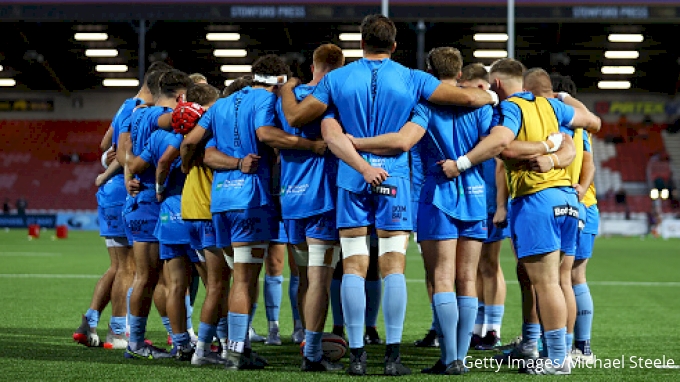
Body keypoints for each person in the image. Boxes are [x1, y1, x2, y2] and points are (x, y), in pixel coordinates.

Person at [280, 14, 498, 376]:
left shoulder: (337, 79)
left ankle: (357, 358)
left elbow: (301, 117)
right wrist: (489, 93)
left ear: (360, 43)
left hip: (351, 177)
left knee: (352, 264)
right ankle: (393, 357)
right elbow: (462, 98)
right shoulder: (413, 79)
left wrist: (288, 88)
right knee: (392, 266)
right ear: (395, 45)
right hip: (395, 178)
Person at [347, 47, 516, 375]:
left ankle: (448, 357)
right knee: (468, 278)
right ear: (461, 75)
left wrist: (356, 143)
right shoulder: (481, 105)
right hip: (475, 195)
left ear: (426, 71)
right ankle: (461, 359)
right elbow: (497, 144)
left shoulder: (423, 105)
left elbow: (402, 142)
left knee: (441, 277)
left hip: (437, 196)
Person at [185, 54, 326, 371]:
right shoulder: (266, 99)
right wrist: (310, 146)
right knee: (245, 281)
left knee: (237, 280)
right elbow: (265, 135)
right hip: (251, 200)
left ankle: (233, 348)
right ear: (279, 79)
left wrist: (188, 165)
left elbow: (196, 145)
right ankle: (236, 352)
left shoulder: (221, 104)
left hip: (220, 203)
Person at [491, 58, 600, 375]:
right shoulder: (560, 116)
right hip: (568, 200)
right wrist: (556, 157)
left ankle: (560, 356)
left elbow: (506, 150)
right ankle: (556, 348)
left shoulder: (528, 110)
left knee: (552, 281)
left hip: (543, 199)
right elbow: (587, 129)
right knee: (556, 279)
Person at [73, 65, 162, 350]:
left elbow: (104, 143)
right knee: (130, 268)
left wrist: (108, 159)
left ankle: (89, 320)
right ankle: (118, 331)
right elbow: (124, 153)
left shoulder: (125, 105)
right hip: (124, 191)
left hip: (108, 194)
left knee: (118, 266)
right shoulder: (142, 111)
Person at [276, 43, 346, 371]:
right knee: (321, 278)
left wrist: (288, 85)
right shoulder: (332, 95)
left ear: (314, 65)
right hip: (322, 198)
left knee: (301, 277)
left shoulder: (285, 96)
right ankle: (312, 353)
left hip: (290, 197)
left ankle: (301, 334)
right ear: (340, 66)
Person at [124, 69, 192, 360]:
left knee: (150, 278)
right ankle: (145, 342)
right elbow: (176, 119)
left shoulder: (138, 113)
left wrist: (129, 173)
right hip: (156, 201)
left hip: (141, 199)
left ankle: (162, 339)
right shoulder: (159, 116)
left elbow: (123, 150)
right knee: (160, 280)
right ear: (180, 96)